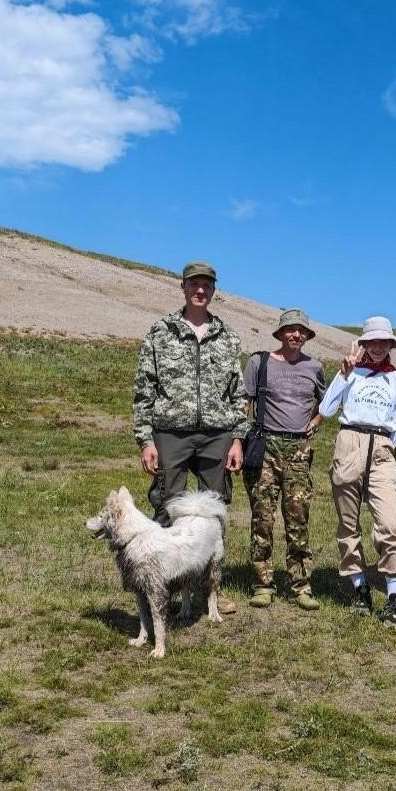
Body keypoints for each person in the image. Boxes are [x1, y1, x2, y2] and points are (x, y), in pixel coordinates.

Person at [132, 260, 246, 613]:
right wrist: (146, 439)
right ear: (183, 287)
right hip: (171, 433)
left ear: (214, 291)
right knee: (168, 508)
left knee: (212, 515)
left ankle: (211, 592)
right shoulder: (161, 331)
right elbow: (144, 388)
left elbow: (237, 392)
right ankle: (163, 588)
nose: (200, 291)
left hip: (217, 434)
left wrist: (237, 438)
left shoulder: (227, 336)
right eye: (194, 284)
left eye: (207, 286)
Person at [318, 316, 396, 623]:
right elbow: (325, 409)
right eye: (371, 342)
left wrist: (386, 449)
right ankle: (359, 588)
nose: (377, 348)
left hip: (382, 446)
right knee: (348, 522)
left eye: (383, 342)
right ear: (363, 344)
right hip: (350, 441)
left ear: (390, 345)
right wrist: (343, 375)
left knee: (389, 522)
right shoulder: (352, 373)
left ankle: (394, 595)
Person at [241, 309, 326, 612]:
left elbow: (326, 403)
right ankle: (262, 584)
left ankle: (300, 585)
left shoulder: (315, 367)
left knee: (298, 519)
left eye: (301, 331)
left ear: (307, 336)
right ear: (280, 334)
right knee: (262, 517)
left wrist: (316, 420)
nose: (296, 335)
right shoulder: (259, 363)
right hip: (264, 445)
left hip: (299, 450)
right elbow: (244, 403)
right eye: (290, 330)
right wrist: (237, 443)